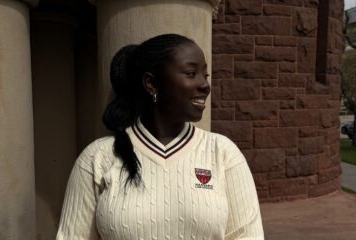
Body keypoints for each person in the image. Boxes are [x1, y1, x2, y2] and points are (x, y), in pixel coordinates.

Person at [56, 33, 264, 240]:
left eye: (205, 75)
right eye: (191, 73)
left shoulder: (223, 152)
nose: (205, 85)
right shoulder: (97, 157)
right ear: (151, 84)